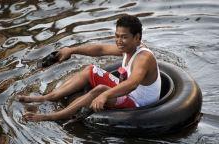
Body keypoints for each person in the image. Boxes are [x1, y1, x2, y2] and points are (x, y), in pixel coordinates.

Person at [18, 14, 161, 122]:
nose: (119, 41)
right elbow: (100, 49)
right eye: (116, 36)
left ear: (137, 38)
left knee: (100, 90)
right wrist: (71, 50)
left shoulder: (143, 58)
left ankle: (54, 116)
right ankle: (47, 97)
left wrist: (105, 95)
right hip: (127, 90)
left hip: (138, 103)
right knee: (90, 69)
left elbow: (132, 84)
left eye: (123, 37)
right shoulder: (128, 47)